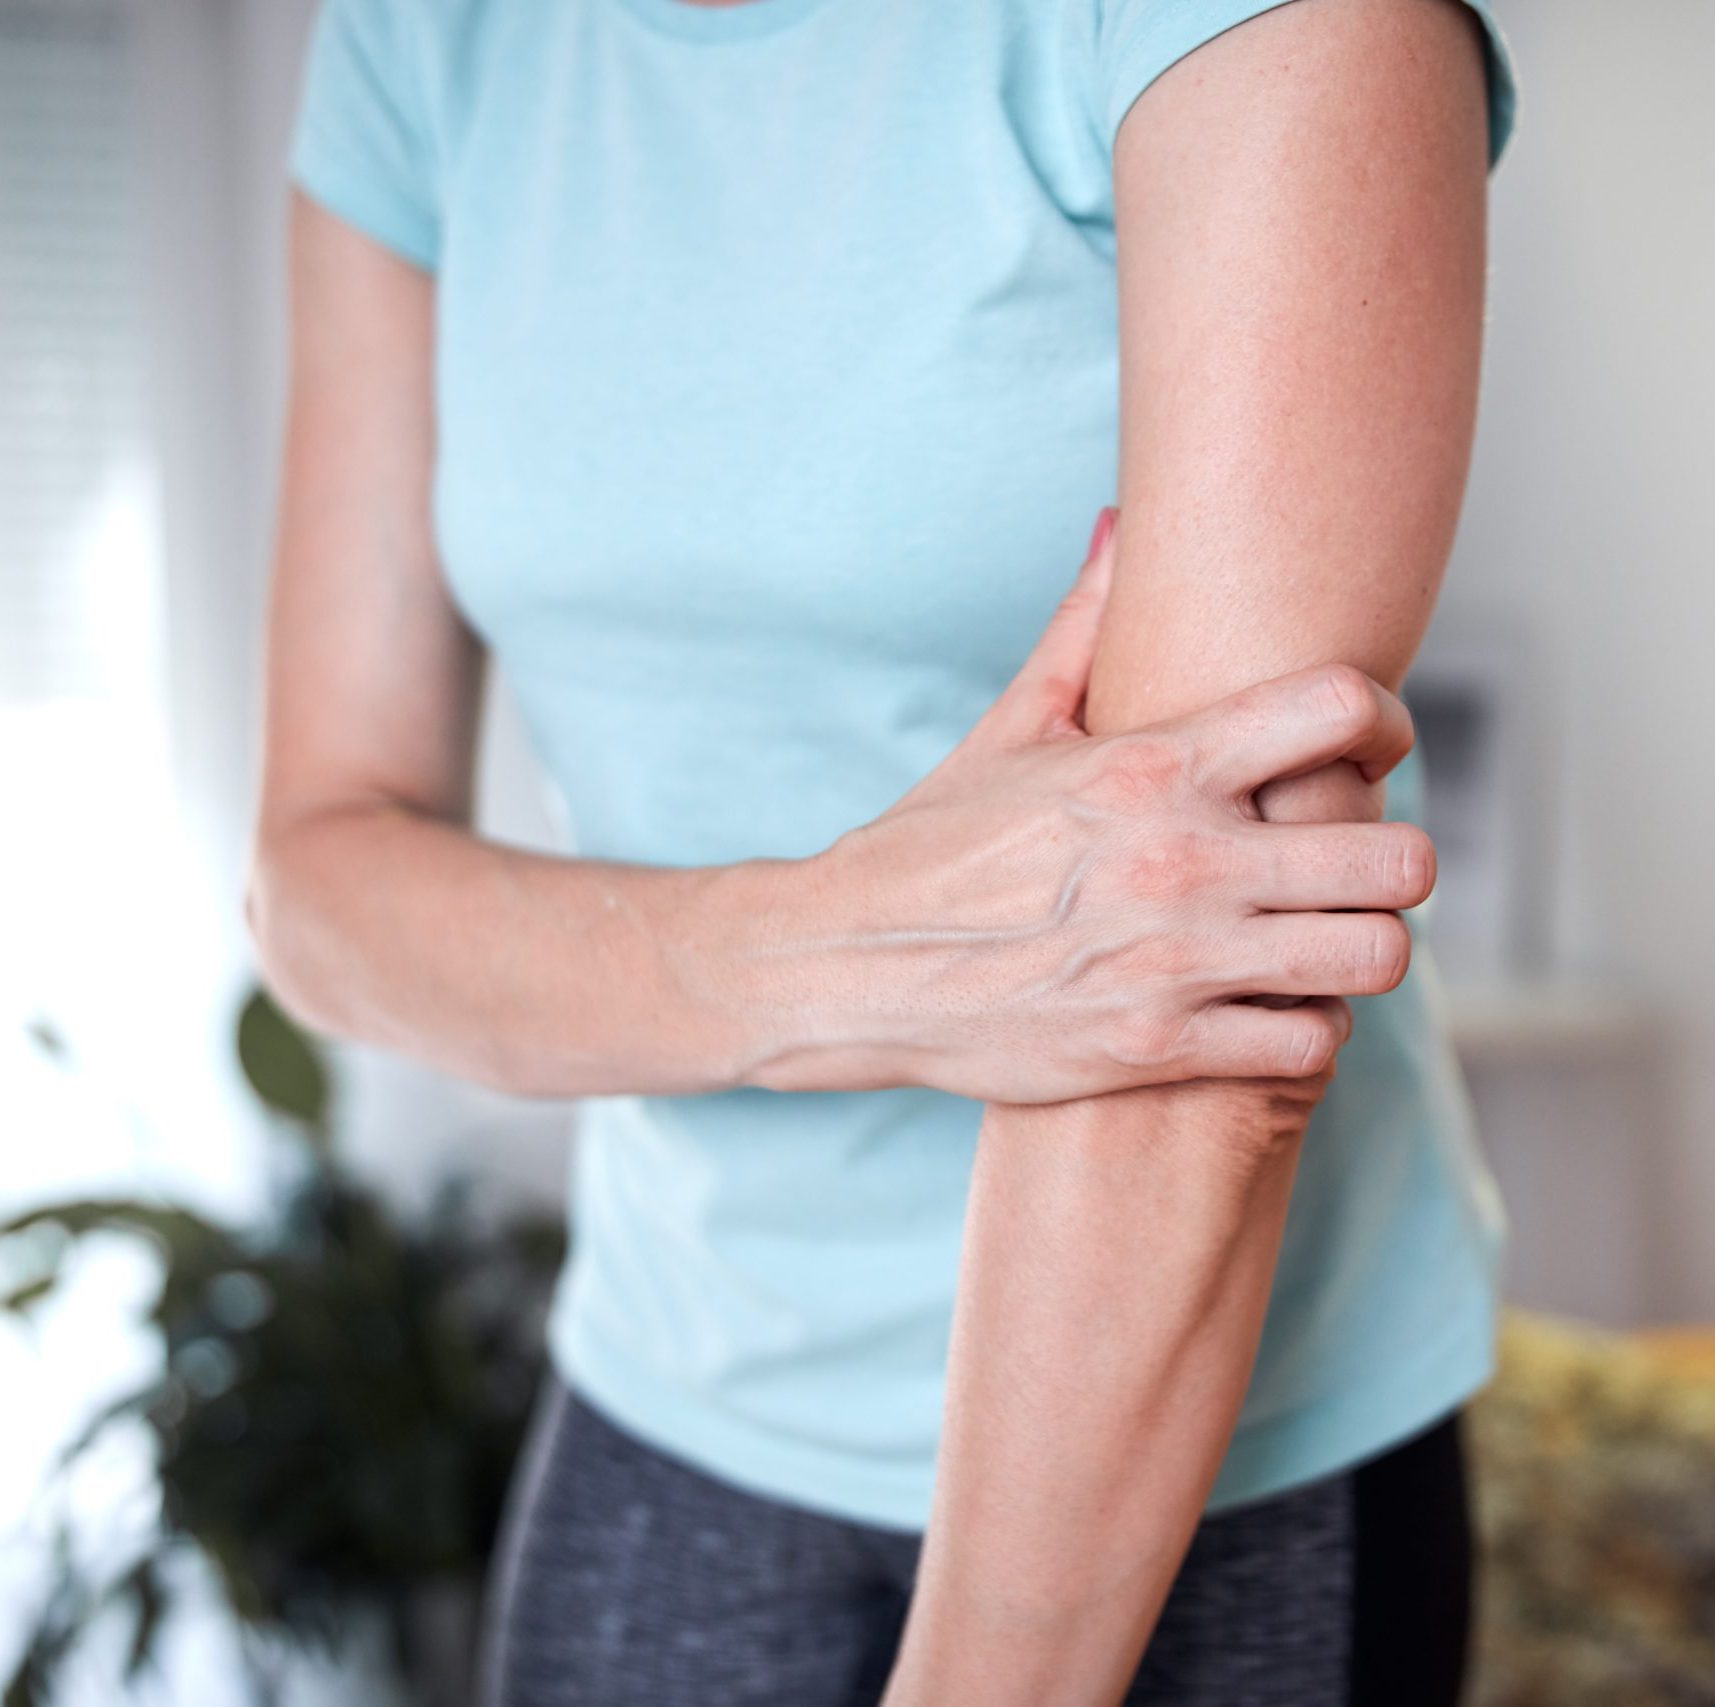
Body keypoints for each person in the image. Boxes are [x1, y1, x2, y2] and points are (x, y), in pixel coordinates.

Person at [252, 0, 1517, 1701]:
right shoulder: (427, 36)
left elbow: (1211, 974)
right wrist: (844, 951)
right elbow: (323, 893)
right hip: (674, 1385)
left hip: (1212, 1449)